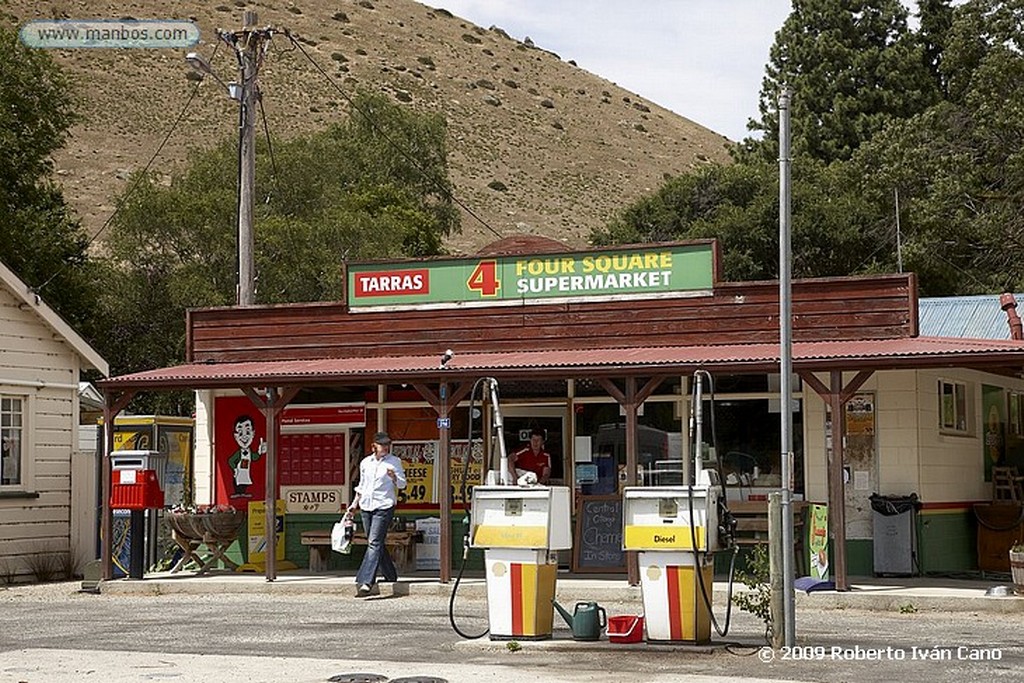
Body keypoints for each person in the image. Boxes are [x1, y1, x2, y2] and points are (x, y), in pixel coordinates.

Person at [346, 431, 407, 597]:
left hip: (384, 505)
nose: (386, 447)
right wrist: (353, 506)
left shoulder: (394, 462)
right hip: (366, 505)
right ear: (374, 446)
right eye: (382, 445)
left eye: (388, 444)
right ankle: (390, 574)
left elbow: (402, 485)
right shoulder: (366, 462)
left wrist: (394, 477)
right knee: (375, 541)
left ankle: (365, 581)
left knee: (373, 541)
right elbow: (362, 485)